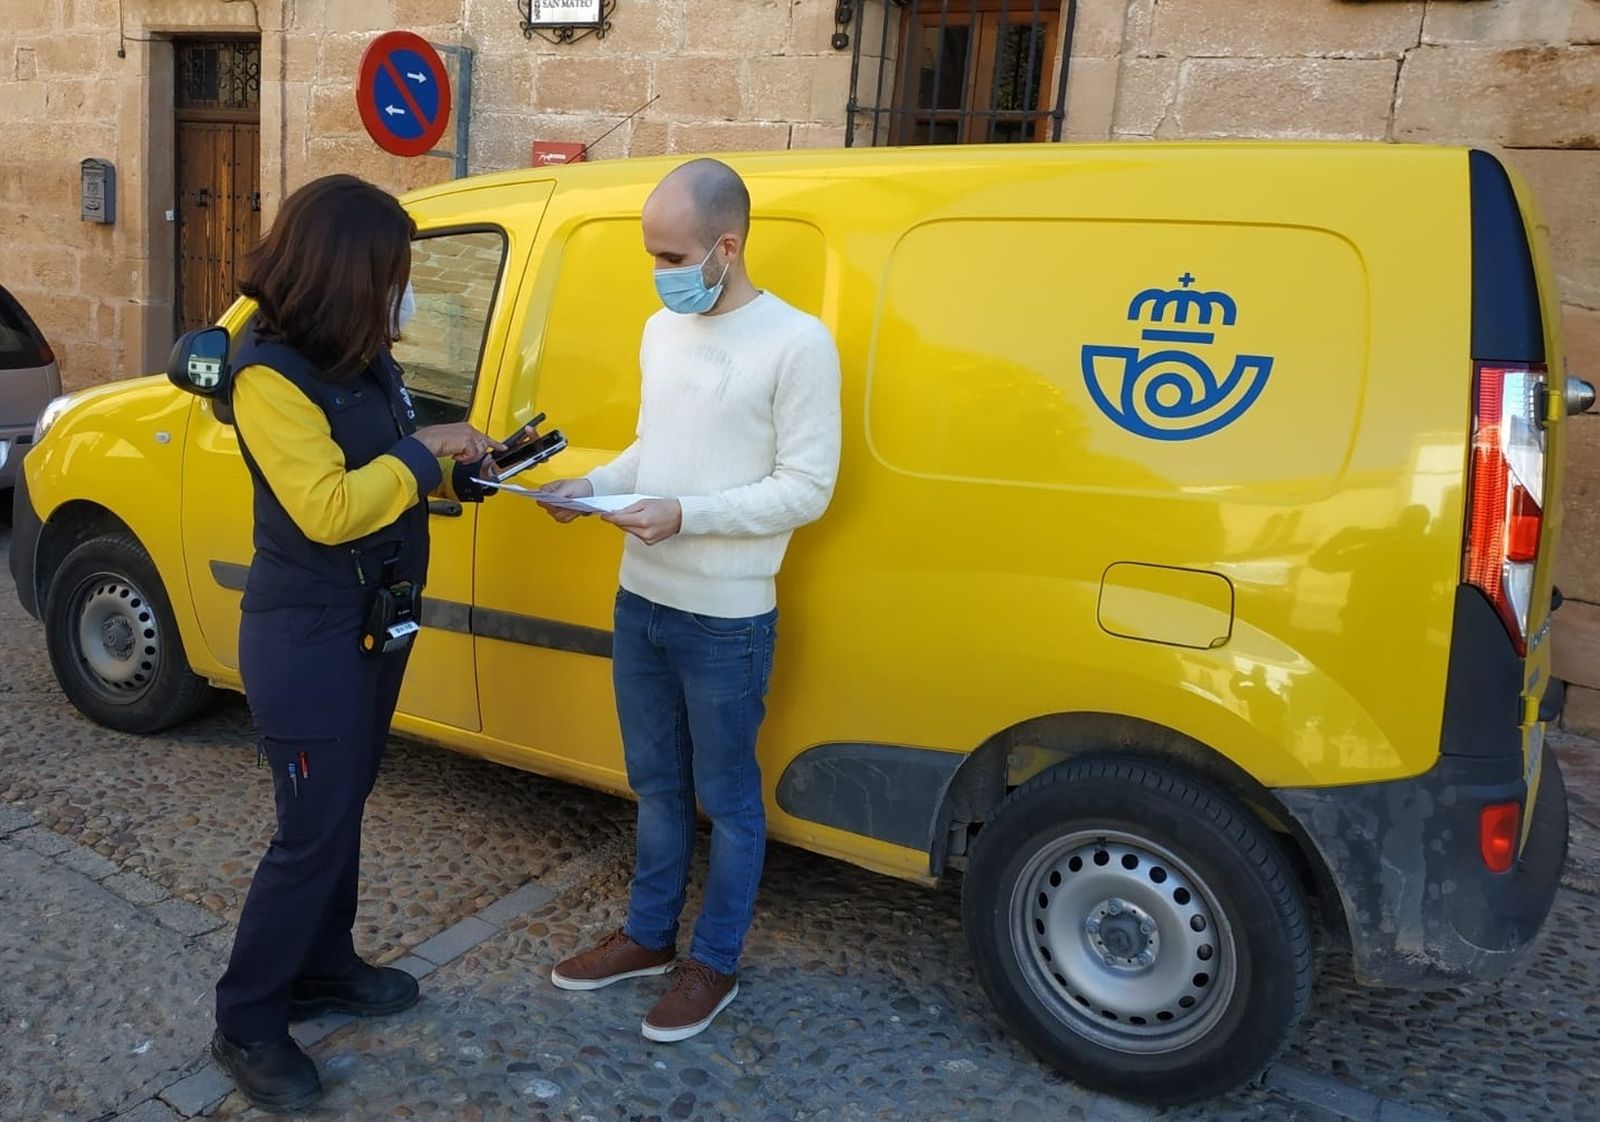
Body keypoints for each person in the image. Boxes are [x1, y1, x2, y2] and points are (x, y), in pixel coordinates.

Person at [211, 174, 512, 1111]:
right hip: (306, 632)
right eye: (394, 276)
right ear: (348, 274)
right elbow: (330, 506)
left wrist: (464, 469)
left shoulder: (359, 354)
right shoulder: (266, 371)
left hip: (374, 619)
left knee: (342, 809)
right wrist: (431, 451)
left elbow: (393, 457)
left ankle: (325, 966)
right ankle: (248, 1018)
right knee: (309, 833)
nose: (404, 294)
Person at [538, 158, 842, 1042]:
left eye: (670, 254)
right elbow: (653, 446)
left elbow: (808, 487)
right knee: (655, 786)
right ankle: (647, 939)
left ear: (727, 245)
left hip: (727, 619)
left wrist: (688, 515)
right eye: (651, 255)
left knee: (730, 800)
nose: (660, 273)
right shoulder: (660, 331)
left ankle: (713, 961)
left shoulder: (798, 342)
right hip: (643, 604)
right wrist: (588, 486)